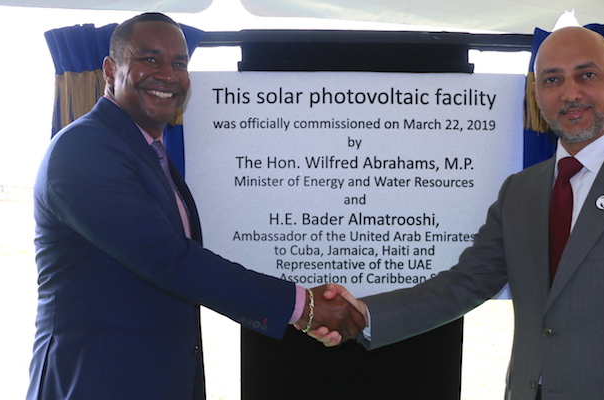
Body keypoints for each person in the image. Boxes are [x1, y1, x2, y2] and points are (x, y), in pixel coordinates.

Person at [313, 26, 604, 400]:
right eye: (552, 79)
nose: (570, 93)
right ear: (536, 93)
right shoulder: (521, 191)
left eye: (587, 75)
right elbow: (463, 284)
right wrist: (362, 315)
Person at [26, 12, 364, 400]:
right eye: (149, 59)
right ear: (109, 69)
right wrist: (303, 307)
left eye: (180, 63)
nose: (168, 74)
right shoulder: (84, 149)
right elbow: (168, 259)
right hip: (95, 381)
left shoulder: (149, 154)